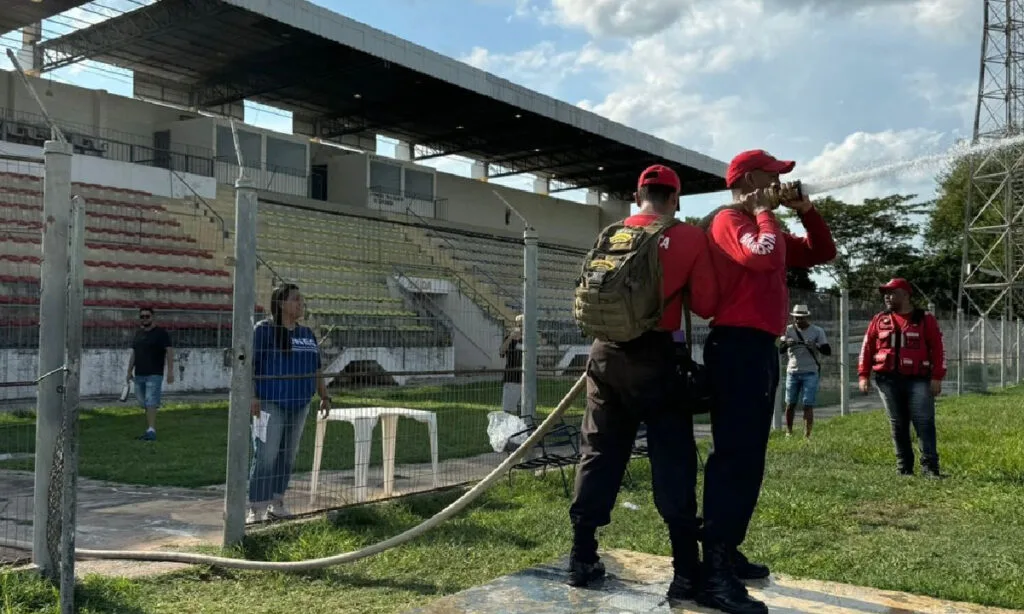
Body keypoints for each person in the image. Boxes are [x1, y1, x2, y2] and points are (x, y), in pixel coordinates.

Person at [568, 164, 718, 605]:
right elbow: (707, 304)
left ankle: (582, 555)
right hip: (655, 357)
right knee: (671, 458)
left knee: (598, 452)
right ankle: (685, 571)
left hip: (604, 354)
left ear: (638, 197)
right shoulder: (688, 236)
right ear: (676, 198)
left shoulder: (612, 233)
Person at [700, 150, 836, 614]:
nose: (781, 184)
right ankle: (714, 569)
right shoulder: (730, 219)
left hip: (758, 349)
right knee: (734, 456)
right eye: (774, 176)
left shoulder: (767, 228)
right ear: (751, 180)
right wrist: (762, 212)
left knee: (750, 456)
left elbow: (822, 253)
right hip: (735, 347)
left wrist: (806, 212)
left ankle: (729, 548)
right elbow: (759, 259)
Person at [248, 283, 331, 523]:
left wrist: (324, 395)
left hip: (300, 403)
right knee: (266, 454)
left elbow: (316, 368)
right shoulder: (264, 331)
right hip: (270, 401)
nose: (300, 304)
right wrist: (252, 396)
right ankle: (257, 507)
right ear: (281, 303)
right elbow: (251, 366)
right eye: (296, 300)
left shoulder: (307, 334)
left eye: (301, 300)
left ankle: (277, 501)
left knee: (287, 455)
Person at [858, 278, 946, 477]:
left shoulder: (925, 319)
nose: (887, 296)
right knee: (897, 423)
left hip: (919, 379)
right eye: (885, 293)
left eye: (892, 292)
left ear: (906, 295)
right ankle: (904, 468)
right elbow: (867, 347)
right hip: (887, 380)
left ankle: (930, 467)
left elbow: (938, 349)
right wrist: (863, 375)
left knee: (923, 421)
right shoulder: (879, 320)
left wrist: (937, 376)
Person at [779, 304, 831, 438]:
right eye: (796, 318)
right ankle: (789, 432)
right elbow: (779, 349)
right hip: (793, 372)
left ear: (807, 317)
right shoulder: (788, 330)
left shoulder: (817, 331)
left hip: (810, 372)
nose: (798, 321)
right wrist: (786, 344)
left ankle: (807, 435)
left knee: (808, 404)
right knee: (790, 404)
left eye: (801, 318)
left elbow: (827, 351)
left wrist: (816, 345)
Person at [126, 306, 174, 441]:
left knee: (151, 401)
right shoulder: (138, 334)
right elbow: (134, 353)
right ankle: (149, 427)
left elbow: (169, 352)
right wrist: (129, 371)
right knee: (143, 402)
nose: (144, 319)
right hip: (139, 373)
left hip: (154, 373)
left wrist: (170, 371)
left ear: (152, 317)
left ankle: (151, 430)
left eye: (147, 316)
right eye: (142, 316)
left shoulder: (161, 333)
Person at [499, 315, 523, 415]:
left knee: (522, 407)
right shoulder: (509, 339)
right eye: (519, 325)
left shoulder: (527, 340)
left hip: (524, 377)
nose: (521, 327)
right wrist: (510, 338)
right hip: (511, 376)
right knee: (507, 408)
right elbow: (501, 352)